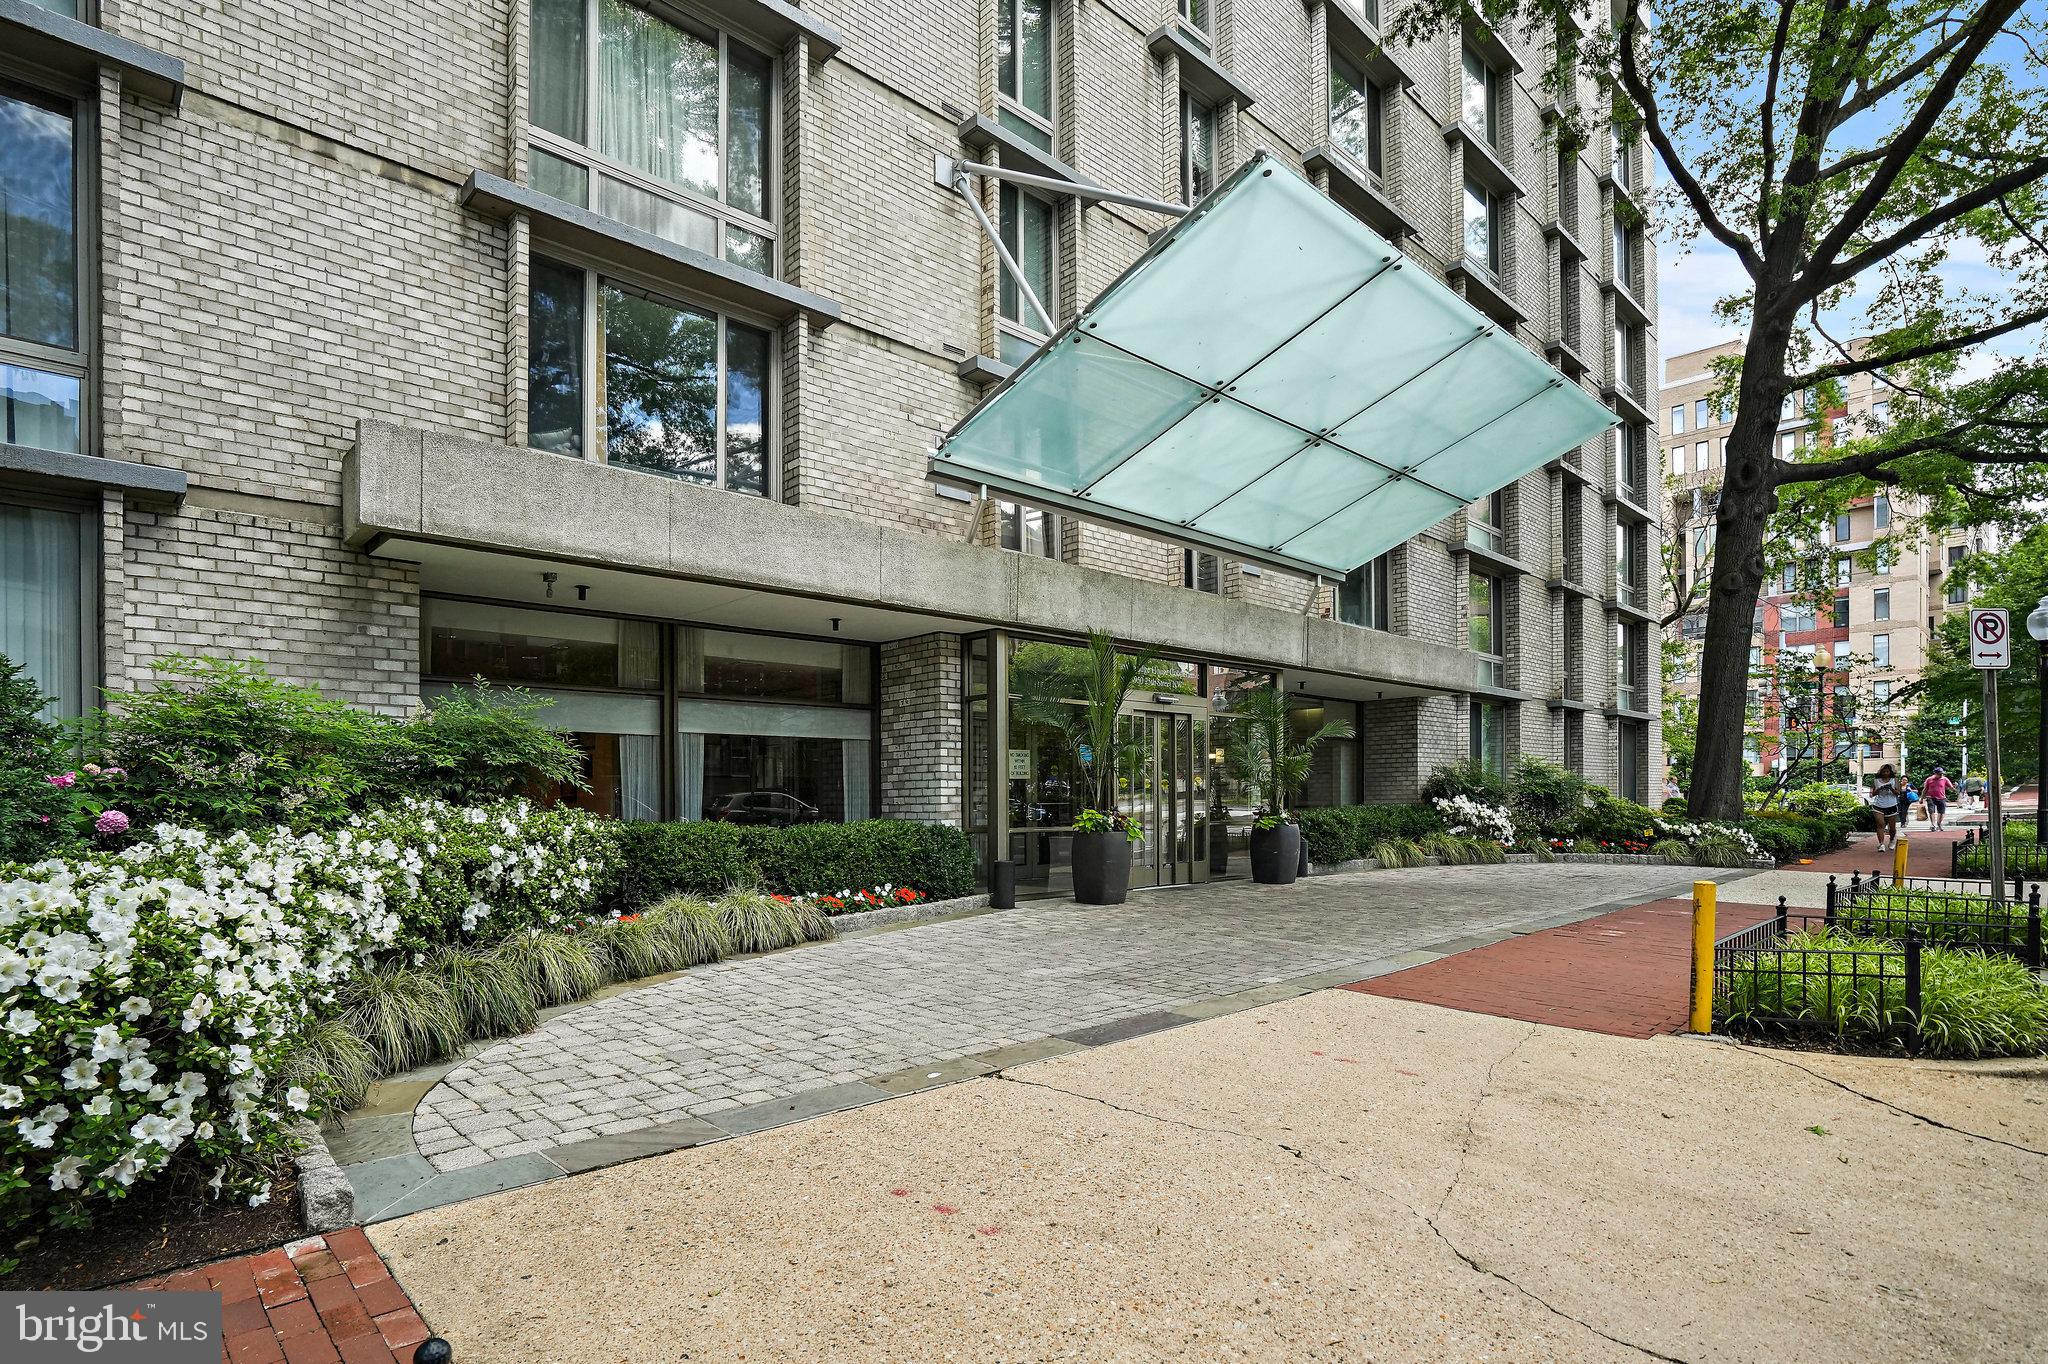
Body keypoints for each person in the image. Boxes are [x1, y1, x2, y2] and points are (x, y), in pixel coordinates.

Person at [1868, 764, 1902, 852]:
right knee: (1880, 825)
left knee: (1892, 828)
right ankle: (1881, 844)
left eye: (1887, 771)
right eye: (1883, 772)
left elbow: (1898, 793)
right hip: (1878, 805)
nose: (1885, 773)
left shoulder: (1895, 780)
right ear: (1881, 772)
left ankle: (1892, 840)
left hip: (1891, 805)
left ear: (1890, 772)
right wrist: (1879, 789)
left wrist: (1891, 789)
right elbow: (1871, 794)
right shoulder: (1876, 781)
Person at [1922, 767, 1955, 832]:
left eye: (1942, 774)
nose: (1941, 775)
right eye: (1939, 774)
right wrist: (1921, 798)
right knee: (1931, 811)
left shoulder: (1945, 779)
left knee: (1941, 812)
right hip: (1930, 797)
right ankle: (1933, 825)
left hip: (1941, 797)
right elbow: (1925, 789)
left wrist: (1953, 788)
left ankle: (1939, 824)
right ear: (1935, 773)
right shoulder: (1929, 779)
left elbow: (1951, 787)